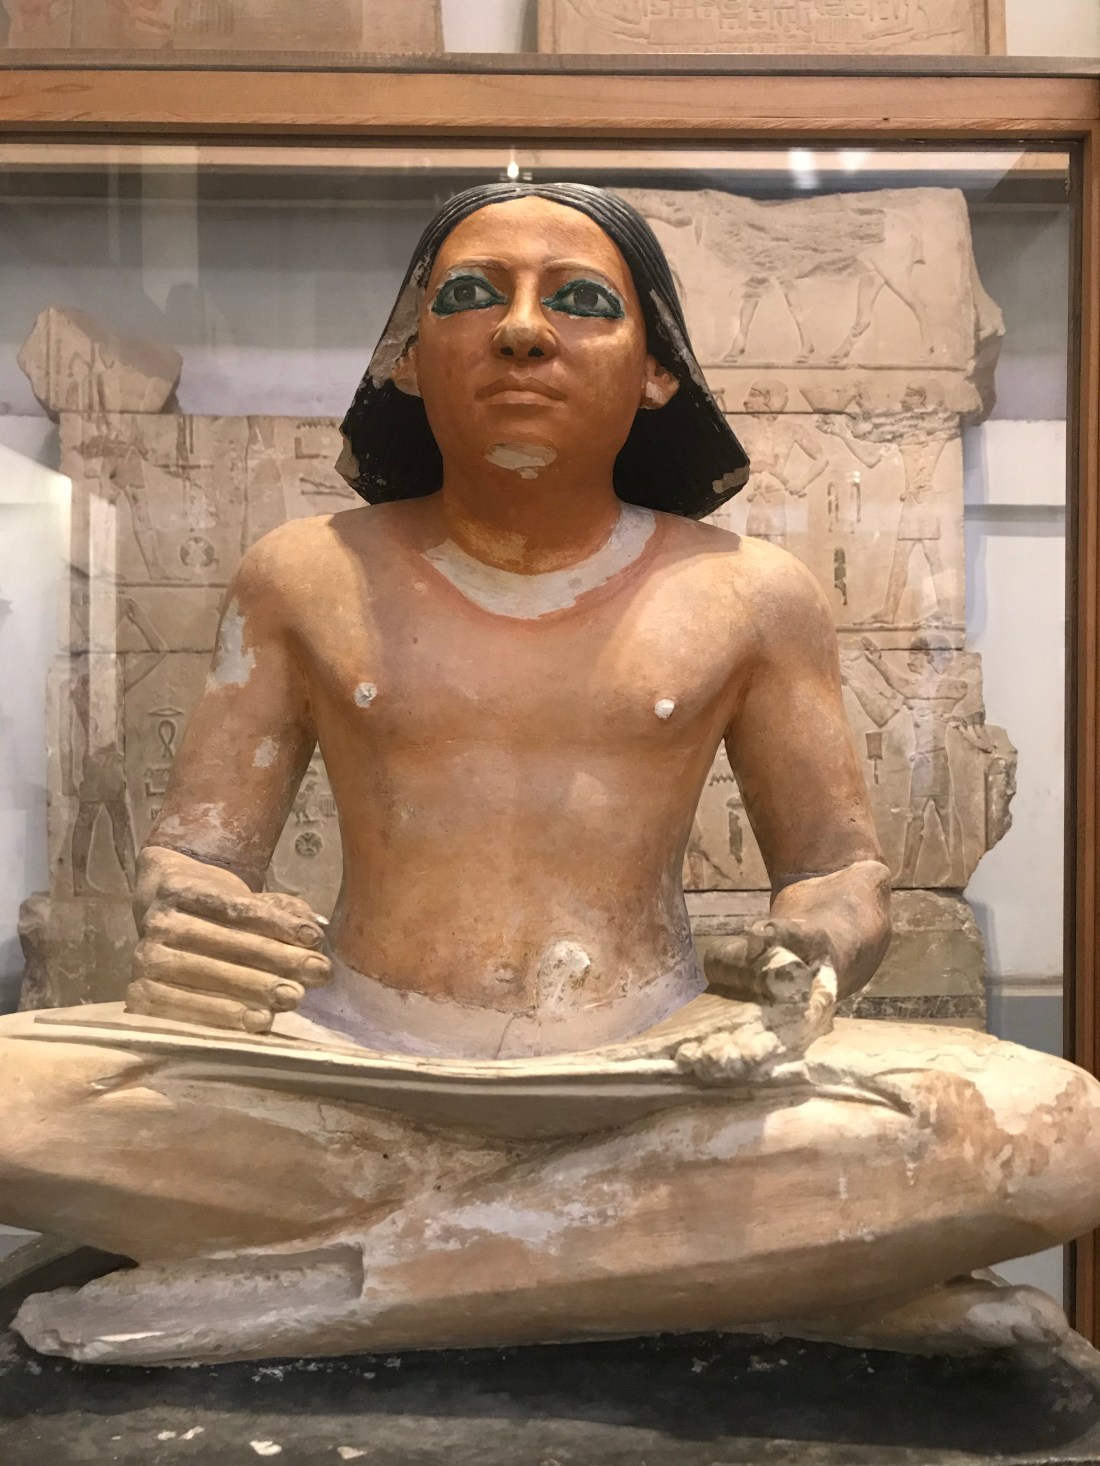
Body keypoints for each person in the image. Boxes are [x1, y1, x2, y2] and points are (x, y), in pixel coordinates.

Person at [1, 184, 1097, 1367]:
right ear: (410, 357)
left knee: (1058, 1130)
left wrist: (812, 951)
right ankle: (729, 1265)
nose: (522, 329)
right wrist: (187, 911)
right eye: (473, 295)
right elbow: (197, 850)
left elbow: (838, 869)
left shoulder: (747, 593)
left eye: (578, 301)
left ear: (655, 371)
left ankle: (322, 1281)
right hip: (339, 1064)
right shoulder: (302, 574)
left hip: (650, 1066)